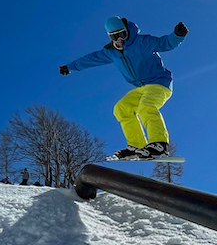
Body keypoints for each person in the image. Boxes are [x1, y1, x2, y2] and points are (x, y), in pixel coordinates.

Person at [60, 16, 187, 160]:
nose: (119, 39)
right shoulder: (111, 52)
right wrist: (70, 67)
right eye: (114, 36)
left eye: (122, 34)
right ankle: (137, 146)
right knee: (121, 108)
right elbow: (91, 59)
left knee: (146, 106)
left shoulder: (141, 42)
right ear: (110, 37)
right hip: (141, 87)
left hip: (159, 83)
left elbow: (164, 43)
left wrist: (177, 35)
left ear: (127, 31)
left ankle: (159, 145)